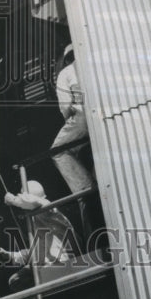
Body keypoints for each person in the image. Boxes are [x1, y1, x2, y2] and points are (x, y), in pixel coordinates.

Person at [0, 180, 77, 289]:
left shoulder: (50, 211)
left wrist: (14, 200)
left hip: (61, 265)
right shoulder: (38, 221)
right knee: (15, 281)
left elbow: (36, 202)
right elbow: (37, 253)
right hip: (46, 266)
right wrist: (10, 255)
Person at [51, 43, 94, 194]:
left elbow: (65, 106)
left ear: (67, 59)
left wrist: (69, 120)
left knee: (58, 151)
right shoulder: (93, 64)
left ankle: (84, 187)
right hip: (103, 113)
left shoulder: (65, 72)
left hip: (82, 117)